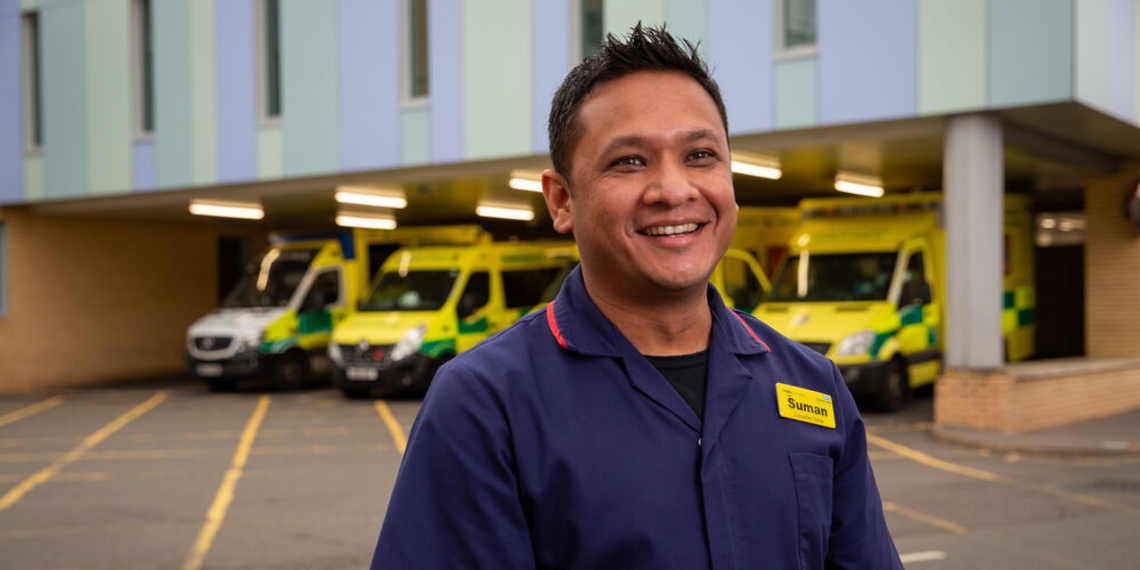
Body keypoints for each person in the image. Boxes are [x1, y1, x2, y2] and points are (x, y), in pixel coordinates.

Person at [371, 24, 904, 569]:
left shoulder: (813, 385)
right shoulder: (485, 406)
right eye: (629, 161)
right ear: (561, 201)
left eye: (700, 155)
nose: (674, 190)